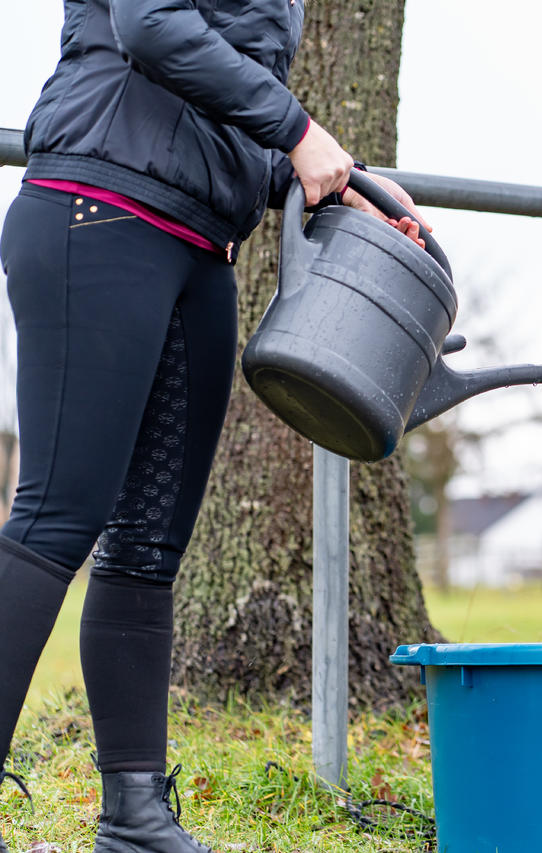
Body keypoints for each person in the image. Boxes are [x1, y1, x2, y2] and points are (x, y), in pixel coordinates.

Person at [0, 1, 427, 850]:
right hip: (100, 211)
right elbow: (149, 27)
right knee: (56, 520)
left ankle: (134, 814)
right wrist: (301, 129)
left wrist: (341, 180)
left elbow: (220, 111)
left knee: (148, 545)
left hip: (198, 248)